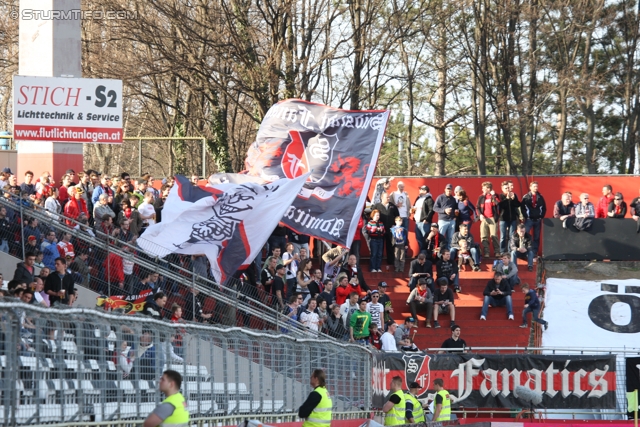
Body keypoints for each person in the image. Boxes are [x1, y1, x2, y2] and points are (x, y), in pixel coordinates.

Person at [372, 192, 399, 267]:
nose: (388, 198)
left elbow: (397, 216)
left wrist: (395, 224)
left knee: (390, 245)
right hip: (380, 229)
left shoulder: (392, 206)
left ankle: (391, 261)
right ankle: (377, 263)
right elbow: (372, 215)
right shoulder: (377, 206)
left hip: (390, 229)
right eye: (387, 197)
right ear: (382, 198)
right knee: (379, 246)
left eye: (389, 197)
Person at [521, 181, 546, 254]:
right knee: (524, 234)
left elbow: (544, 207)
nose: (536, 188)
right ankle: (524, 251)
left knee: (536, 237)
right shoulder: (526, 196)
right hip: (529, 220)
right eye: (534, 186)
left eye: (537, 186)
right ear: (530, 187)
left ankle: (534, 252)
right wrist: (526, 216)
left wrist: (541, 216)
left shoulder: (540, 197)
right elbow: (522, 208)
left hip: (538, 220)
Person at [477, 181, 500, 258]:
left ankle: (497, 252)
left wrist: (493, 195)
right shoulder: (481, 197)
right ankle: (486, 252)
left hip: (492, 218)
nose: (482, 189)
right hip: (484, 219)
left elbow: (498, 203)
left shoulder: (494, 196)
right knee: (484, 236)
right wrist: (480, 215)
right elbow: (477, 207)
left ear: (488, 189)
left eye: (484, 188)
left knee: (493, 235)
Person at [498, 181, 521, 255]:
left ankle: (509, 250)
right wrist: (507, 199)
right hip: (503, 219)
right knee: (503, 236)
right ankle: (502, 251)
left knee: (512, 236)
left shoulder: (513, 195)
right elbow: (501, 206)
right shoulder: (500, 196)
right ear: (502, 189)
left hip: (512, 219)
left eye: (508, 188)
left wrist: (514, 199)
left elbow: (517, 205)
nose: (508, 189)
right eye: (506, 188)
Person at [433, 184, 457, 248]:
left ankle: (448, 254)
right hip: (442, 220)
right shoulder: (440, 197)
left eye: (450, 190)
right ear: (445, 189)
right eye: (447, 189)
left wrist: (455, 216)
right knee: (440, 237)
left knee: (450, 238)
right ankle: (439, 253)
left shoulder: (453, 199)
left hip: (451, 220)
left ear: (452, 191)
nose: (449, 191)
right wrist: (444, 210)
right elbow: (435, 208)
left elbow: (456, 208)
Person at [411, 185, 434, 253]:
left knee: (425, 239)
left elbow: (432, 210)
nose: (419, 191)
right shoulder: (418, 198)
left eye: (421, 189)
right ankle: (422, 254)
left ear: (425, 191)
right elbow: (414, 207)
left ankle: (425, 254)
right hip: (417, 222)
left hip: (424, 222)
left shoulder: (429, 199)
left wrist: (427, 219)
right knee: (419, 239)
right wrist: (412, 210)